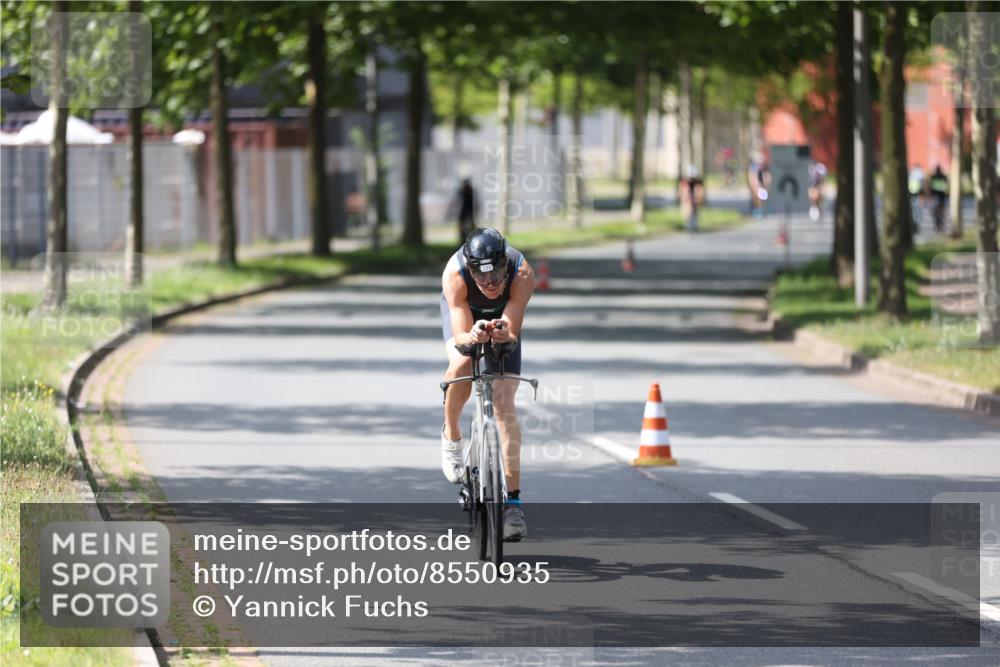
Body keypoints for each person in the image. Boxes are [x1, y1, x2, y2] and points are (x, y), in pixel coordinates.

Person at [440, 227, 535, 541]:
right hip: (467, 319)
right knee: (462, 364)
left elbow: (511, 330)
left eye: (496, 276)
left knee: (504, 403)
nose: (491, 285)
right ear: (470, 271)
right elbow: (461, 335)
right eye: (482, 279)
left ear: (505, 266)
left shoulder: (522, 274)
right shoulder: (455, 276)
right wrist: (473, 336)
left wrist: (500, 333)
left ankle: (513, 505)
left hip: (502, 324)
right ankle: (452, 435)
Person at [450, 178, 479, 244]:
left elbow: (476, 202)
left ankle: (471, 241)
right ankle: (462, 241)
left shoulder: (472, 191)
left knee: (471, 228)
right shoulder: (461, 191)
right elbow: (457, 202)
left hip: (469, 212)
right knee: (462, 229)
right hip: (462, 212)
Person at [928, 165, 948, 233]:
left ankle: (939, 225)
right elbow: (930, 187)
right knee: (938, 213)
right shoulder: (936, 177)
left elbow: (945, 187)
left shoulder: (938, 177)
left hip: (939, 198)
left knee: (938, 213)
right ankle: (939, 225)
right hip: (938, 197)